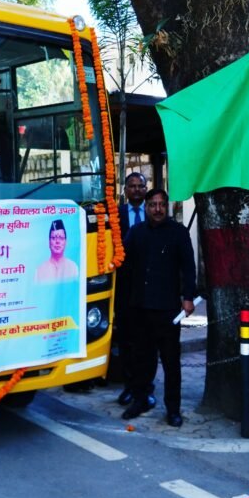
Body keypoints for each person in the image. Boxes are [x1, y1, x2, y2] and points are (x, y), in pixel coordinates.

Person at [121, 189, 196, 427]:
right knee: (141, 359)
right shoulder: (136, 232)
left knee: (171, 362)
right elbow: (125, 267)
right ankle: (140, 400)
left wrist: (188, 297)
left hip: (167, 309)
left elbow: (189, 267)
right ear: (146, 207)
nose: (157, 209)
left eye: (161, 204)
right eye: (152, 205)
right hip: (140, 307)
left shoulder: (178, 232)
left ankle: (173, 409)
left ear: (167, 206)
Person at [113, 173, 155, 405]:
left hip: (150, 288)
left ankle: (146, 387)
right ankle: (129, 386)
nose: (137, 190)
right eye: (132, 186)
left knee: (148, 341)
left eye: (141, 186)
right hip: (125, 288)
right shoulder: (115, 215)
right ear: (125, 190)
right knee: (127, 340)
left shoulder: (155, 213)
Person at [34, 219, 78, 283]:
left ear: (65, 242)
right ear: (49, 242)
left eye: (61, 238)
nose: (57, 241)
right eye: (54, 238)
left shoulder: (73, 267)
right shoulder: (39, 271)